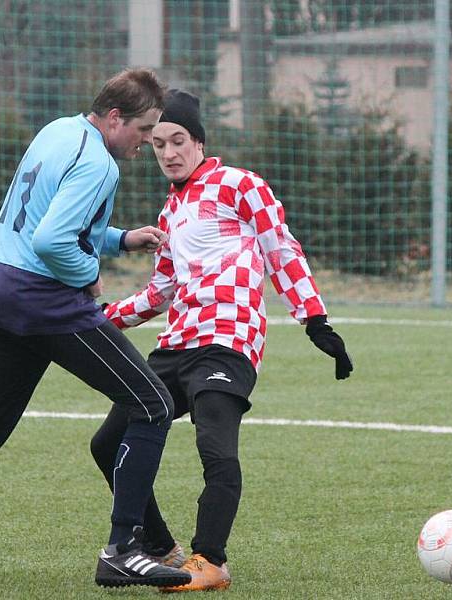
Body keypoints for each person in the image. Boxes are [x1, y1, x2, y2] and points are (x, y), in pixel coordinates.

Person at [0, 69, 192, 590]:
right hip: (43, 301)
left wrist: (119, 240)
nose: (147, 143)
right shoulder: (100, 164)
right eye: (143, 131)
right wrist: (89, 275)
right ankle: (122, 550)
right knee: (154, 404)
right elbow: (53, 241)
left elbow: (41, 217)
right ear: (115, 118)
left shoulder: (57, 131)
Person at [90, 89, 353, 592]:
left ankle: (209, 560)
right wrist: (101, 320)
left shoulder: (240, 185)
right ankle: (160, 546)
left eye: (178, 140)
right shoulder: (170, 213)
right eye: (159, 143)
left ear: (200, 142)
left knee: (215, 442)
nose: (167, 152)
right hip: (176, 346)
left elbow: (281, 247)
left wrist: (315, 320)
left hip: (228, 340)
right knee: (107, 444)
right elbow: (161, 291)